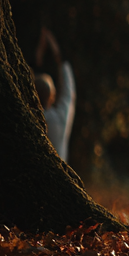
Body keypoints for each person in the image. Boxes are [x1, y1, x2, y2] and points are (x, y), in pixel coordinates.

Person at [32, 28, 76, 162]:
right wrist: (56, 51)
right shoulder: (59, 120)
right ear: (52, 97)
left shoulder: (28, 118)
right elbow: (69, 89)